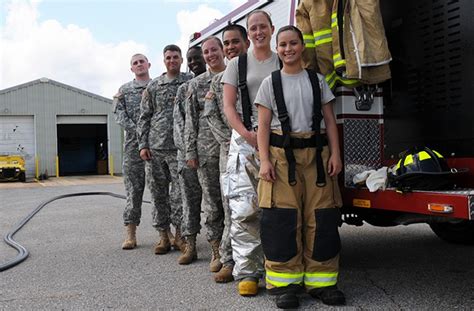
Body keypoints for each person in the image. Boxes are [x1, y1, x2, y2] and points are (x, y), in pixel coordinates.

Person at [255, 25, 345, 309]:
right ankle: (286, 285)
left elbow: (330, 121)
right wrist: (265, 160)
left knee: (321, 219)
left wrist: (336, 155)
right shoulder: (270, 83)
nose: (288, 49)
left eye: (293, 43)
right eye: (283, 45)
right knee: (282, 220)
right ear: (277, 48)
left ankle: (322, 283)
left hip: (318, 158)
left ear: (301, 46)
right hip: (282, 159)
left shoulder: (317, 81)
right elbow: (264, 126)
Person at [222, 10, 281, 296]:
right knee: (245, 209)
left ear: (272, 29)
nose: (258, 32)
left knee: (278, 209)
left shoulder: (282, 59)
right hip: (246, 140)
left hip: (280, 141)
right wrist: (247, 134)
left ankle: (277, 269)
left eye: (263, 27)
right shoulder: (237, 64)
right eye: (253, 28)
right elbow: (229, 107)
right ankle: (247, 272)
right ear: (249, 33)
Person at [203, 24, 250, 283]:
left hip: (259, 148)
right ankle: (229, 260)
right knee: (232, 207)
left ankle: (258, 259)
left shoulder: (259, 72)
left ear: (247, 43)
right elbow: (212, 117)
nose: (231, 47)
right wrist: (234, 142)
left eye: (235, 42)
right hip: (229, 151)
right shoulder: (217, 81)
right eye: (227, 43)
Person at [137, 45, 193, 254]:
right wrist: (143, 145)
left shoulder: (189, 82)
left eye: (175, 57)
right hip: (156, 149)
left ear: (181, 59)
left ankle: (179, 236)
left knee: (180, 195)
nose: (172, 60)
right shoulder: (154, 86)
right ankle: (163, 236)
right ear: (163, 60)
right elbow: (145, 117)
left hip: (179, 148)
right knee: (159, 194)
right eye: (168, 57)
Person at [181, 36, 226, 269]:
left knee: (234, 203)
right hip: (207, 152)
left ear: (223, 50)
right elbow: (190, 121)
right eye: (206, 52)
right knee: (212, 204)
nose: (210, 55)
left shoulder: (235, 75)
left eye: (214, 50)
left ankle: (234, 251)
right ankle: (217, 250)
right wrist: (190, 151)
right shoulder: (196, 85)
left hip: (232, 150)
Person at [113, 53, 151, 250]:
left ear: (148, 64)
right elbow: (119, 115)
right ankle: (130, 234)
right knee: (133, 192)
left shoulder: (156, 86)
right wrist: (138, 129)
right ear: (131, 68)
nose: (139, 65)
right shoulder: (125, 90)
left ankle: (167, 232)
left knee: (162, 192)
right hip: (132, 148)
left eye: (141, 61)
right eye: (135, 63)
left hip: (156, 145)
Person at [172, 46, 206, 263]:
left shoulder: (220, 80)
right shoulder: (184, 89)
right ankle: (190, 245)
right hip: (189, 156)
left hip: (213, 153)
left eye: (197, 58)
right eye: (190, 59)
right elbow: (178, 122)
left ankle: (220, 249)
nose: (194, 62)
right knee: (190, 203)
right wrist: (187, 152)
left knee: (217, 205)